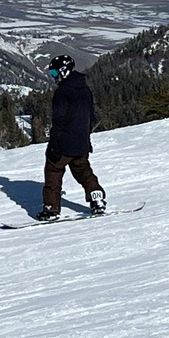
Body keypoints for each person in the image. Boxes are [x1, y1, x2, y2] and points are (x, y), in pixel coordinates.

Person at [37, 54, 106, 221]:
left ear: (63, 71)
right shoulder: (85, 90)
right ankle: (97, 198)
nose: (53, 77)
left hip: (63, 143)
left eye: (54, 73)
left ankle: (51, 208)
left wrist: (54, 144)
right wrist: (86, 140)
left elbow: (59, 120)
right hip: (81, 142)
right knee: (83, 171)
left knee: (53, 171)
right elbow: (90, 116)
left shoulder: (62, 92)